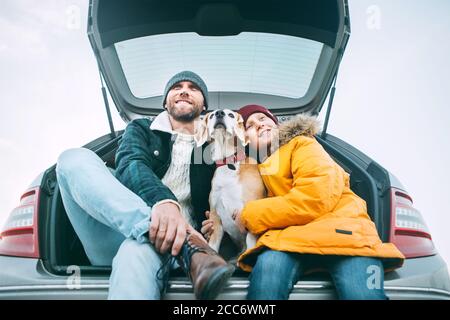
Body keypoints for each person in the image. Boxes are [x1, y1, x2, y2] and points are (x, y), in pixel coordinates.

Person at [56, 71, 234, 300]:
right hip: (120, 232)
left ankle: (185, 244)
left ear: (204, 106)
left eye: (193, 88)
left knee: (135, 252)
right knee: (73, 159)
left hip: (153, 250)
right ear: (165, 102)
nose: (184, 90)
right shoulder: (141, 129)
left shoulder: (213, 147)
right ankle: (188, 246)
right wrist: (164, 203)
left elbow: (232, 188)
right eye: (177, 86)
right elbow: (131, 162)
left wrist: (218, 223)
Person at [231, 104, 405, 300]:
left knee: (362, 295)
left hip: (344, 235)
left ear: (277, 123)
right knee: (264, 290)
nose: (259, 125)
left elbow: (314, 197)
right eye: (250, 126)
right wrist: (222, 219)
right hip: (287, 241)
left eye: (262, 119)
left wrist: (248, 215)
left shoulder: (302, 144)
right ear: (245, 141)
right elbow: (249, 203)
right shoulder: (256, 171)